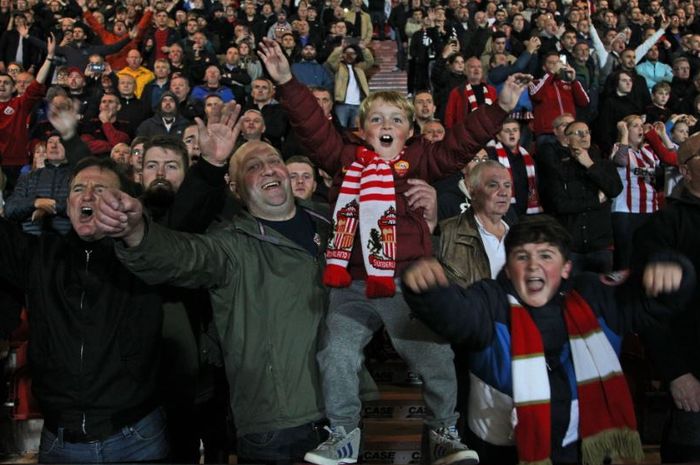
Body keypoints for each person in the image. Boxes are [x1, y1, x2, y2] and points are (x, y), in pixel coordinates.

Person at [256, 37, 530, 465]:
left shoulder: (421, 162)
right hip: (352, 284)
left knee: (436, 359)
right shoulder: (344, 160)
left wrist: (500, 107)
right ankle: (344, 434)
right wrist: (288, 82)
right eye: (377, 119)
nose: (387, 125)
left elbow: (459, 144)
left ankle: (442, 431)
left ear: (410, 131)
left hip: (407, 283)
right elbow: (312, 127)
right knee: (336, 354)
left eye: (397, 119)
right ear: (362, 131)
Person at [402, 214, 695, 465]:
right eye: (522, 256)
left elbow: (650, 300)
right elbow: (455, 314)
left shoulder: (595, 295)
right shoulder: (490, 300)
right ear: (508, 266)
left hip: (582, 450)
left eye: (545, 255)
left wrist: (671, 271)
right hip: (501, 451)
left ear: (566, 267)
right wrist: (429, 290)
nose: (533, 266)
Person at [0, 156, 168, 463]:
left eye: (100, 188)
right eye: (79, 188)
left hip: (137, 439)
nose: (88, 195)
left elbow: (188, 220)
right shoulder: (41, 256)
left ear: (123, 202)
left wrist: (210, 169)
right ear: (69, 202)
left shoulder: (145, 254)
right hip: (60, 443)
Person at [634, 133, 700, 463]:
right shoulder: (662, 227)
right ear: (685, 172)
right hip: (694, 378)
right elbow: (650, 311)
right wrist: (676, 373)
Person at [536, 120, 623, 274]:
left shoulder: (603, 165)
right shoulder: (558, 169)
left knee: (600, 295)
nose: (584, 136)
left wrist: (590, 165)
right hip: (571, 248)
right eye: (578, 133)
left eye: (587, 132)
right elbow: (559, 205)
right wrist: (596, 201)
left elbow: (614, 189)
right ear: (567, 139)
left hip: (601, 246)